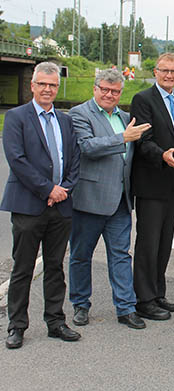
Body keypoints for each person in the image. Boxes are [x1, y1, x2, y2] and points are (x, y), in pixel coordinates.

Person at [2, 62, 81, 349]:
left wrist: (64, 189)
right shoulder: (16, 117)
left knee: (55, 267)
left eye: (52, 85)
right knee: (23, 269)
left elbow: (74, 160)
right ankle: (17, 326)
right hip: (28, 205)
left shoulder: (66, 120)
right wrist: (48, 189)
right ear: (32, 85)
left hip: (60, 207)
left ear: (57, 88)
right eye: (42, 84)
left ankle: (56, 321)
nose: (47, 89)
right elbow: (17, 159)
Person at [68, 69, 151, 330]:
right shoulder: (80, 114)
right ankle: (81, 304)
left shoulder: (126, 117)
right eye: (104, 89)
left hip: (120, 202)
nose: (109, 94)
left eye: (115, 91)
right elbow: (87, 147)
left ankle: (125, 308)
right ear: (95, 88)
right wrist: (122, 138)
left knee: (120, 255)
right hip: (89, 200)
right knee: (81, 255)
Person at [130, 53, 174, 320]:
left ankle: (158, 293)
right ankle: (144, 299)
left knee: (165, 242)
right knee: (148, 243)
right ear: (155, 72)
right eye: (164, 71)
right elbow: (143, 141)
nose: (169, 75)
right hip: (152, 182)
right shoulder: (143, 100)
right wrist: (163, 154)